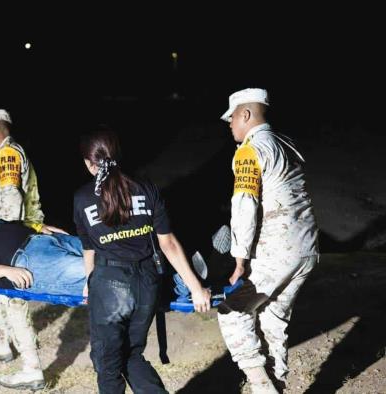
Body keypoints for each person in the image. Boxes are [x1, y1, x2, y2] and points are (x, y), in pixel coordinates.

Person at [73, 128, 211, 394]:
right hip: (147, 283)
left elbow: (89, 247)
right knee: (132, 354)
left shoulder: (82, 198)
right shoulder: (146, 188)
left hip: (110, 286)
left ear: (90, 164)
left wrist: (89, 281)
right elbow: (168, 243)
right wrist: (195, 287)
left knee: (107, 362)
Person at [217, 88, 319, 394]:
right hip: (306, 249)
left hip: (276, 249)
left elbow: (244, 205)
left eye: (232, 117)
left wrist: (239, 261)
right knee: (272, 316)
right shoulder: (286, 144)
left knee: (232, 313)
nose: (230, 124)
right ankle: (279, 381)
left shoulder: (250, 150)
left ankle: (263, 388)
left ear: (246, 115)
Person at [0, 109, 49, 390]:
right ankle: (1, 341)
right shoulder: (8, 153)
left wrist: (3, 237)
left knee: (14, 300)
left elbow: (11, 198)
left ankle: (32, 369)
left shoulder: (7, 154)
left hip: (11, 237)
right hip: (8, 234)